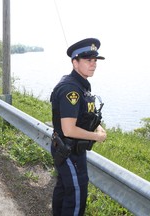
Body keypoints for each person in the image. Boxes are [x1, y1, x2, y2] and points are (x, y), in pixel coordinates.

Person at [50, 38, 107, 216]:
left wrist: (98, 126)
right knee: (76, 195)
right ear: (75, 62)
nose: (94, 64)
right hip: (69, 151)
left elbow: (83, 116)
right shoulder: (71, 90)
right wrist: (97, 137)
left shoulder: (80, 85)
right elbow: (69, 129)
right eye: (88, 60)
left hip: (68, 148)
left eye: (95, 60)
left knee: (64, 188)